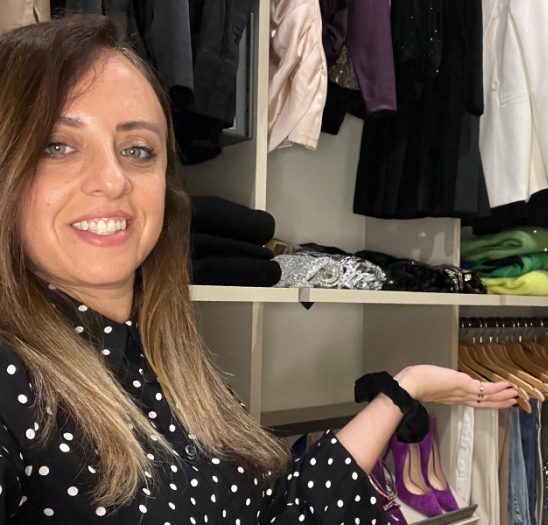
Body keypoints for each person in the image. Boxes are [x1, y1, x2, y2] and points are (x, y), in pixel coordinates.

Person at [0, 15, 517, 524]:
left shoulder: (165, 359)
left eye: (138, 150)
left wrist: (404, 390)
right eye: (57, 146)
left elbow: (280, 509)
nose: (113, 180)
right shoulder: (11, 382)